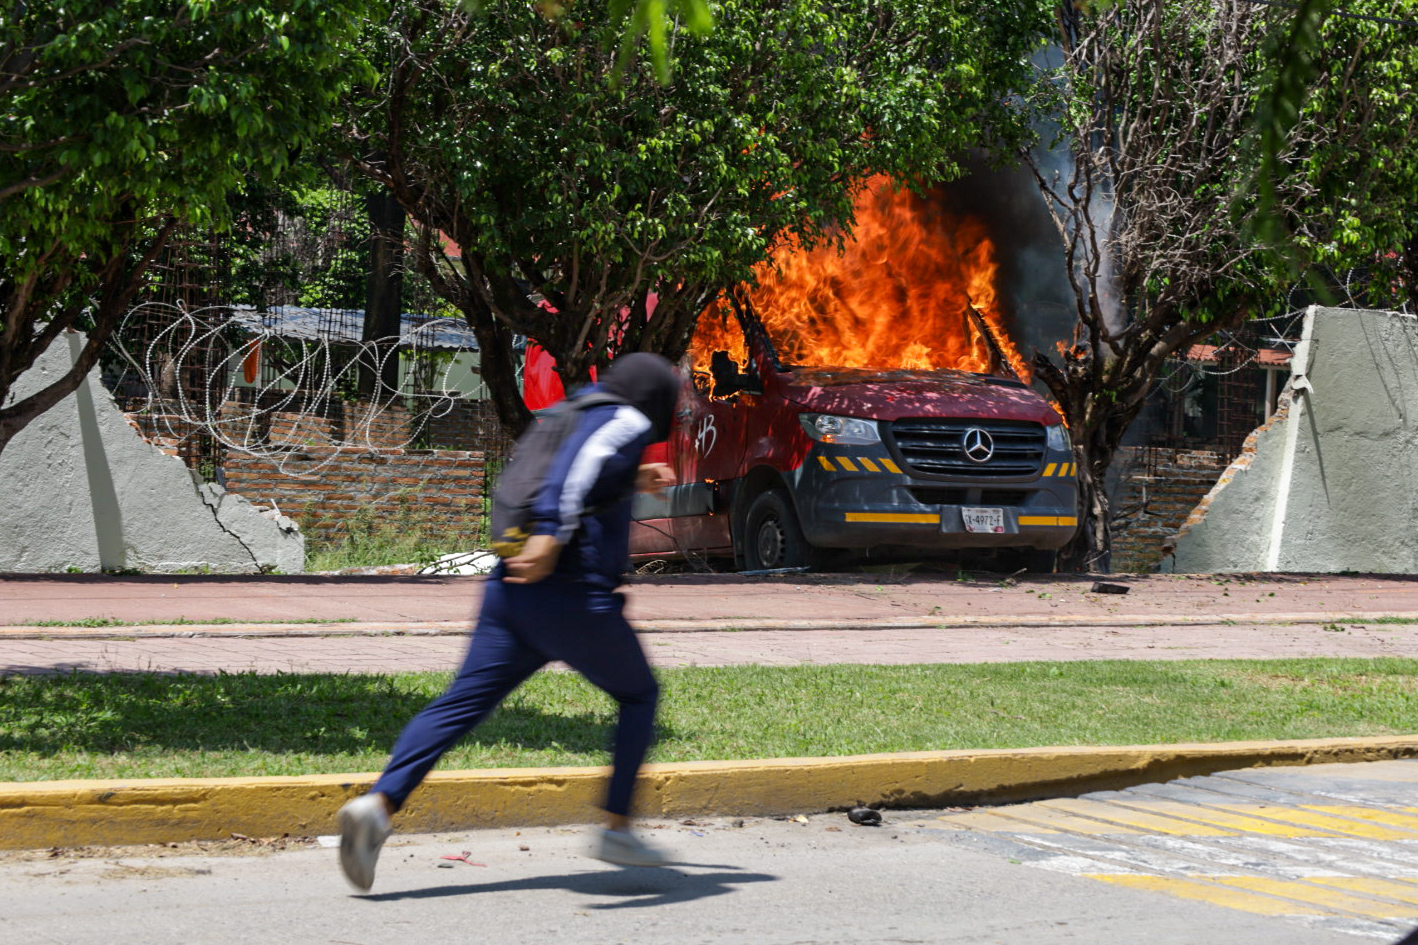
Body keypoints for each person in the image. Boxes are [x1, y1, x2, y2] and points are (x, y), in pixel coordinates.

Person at [337, 352, 682, 892]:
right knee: (640, 695)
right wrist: (548, 531)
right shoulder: (627, 418)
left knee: (460, 703)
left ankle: (377, 807)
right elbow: (578, 471)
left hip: (511, 593)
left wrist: (637, 475)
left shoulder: (583, 409)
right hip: (573, 598)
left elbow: (583, 470)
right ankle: (617, 827)